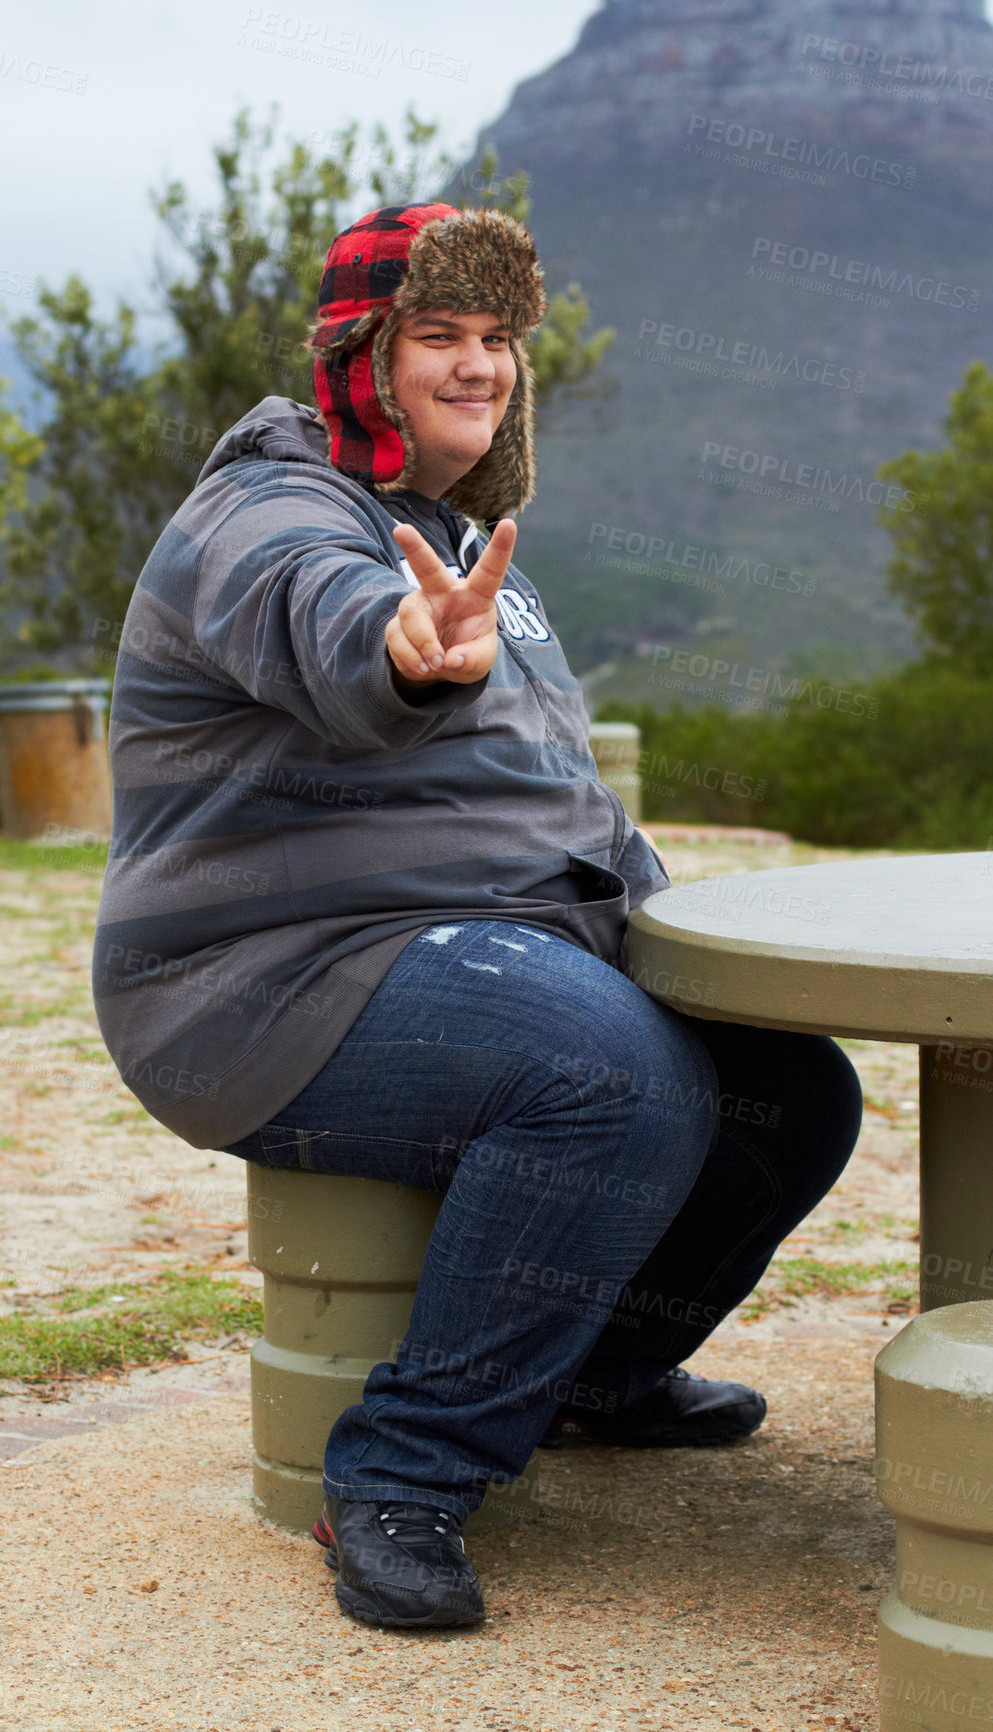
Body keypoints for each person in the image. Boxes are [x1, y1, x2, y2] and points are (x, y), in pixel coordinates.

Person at [92, 201, 862, 1632]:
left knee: (790, 1088)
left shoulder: (460, 539)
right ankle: (399, 1475)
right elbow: (327, 620)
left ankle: (596, 1378)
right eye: (435, 335)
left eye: (495, 339)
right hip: (258, 989)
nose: (476, 366)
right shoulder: (271, 510)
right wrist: (403, 651)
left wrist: (676, 934)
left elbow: (549, 798)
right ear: (359, 358)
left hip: (453, 954)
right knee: (606, 1077)